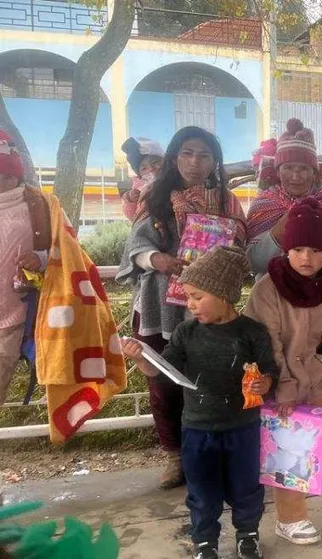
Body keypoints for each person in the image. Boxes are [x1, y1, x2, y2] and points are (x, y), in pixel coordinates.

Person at [121, 247, 277, 559]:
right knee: (203, 493)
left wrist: (265, 383)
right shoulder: (186, 333)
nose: (189, 305)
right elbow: (164, 373)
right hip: (197, 430)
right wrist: (141, 359)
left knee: (247, 487)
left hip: (244, 428)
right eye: (188, 297)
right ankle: (204, 544)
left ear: (224, 295)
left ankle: (247, 535)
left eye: (197, 297)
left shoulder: (252, 332)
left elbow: (269, 371)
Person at [116, 126, 248, 490]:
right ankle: (175, 456)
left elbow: (242, 244)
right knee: (163, 383)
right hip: (160, 306)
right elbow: (135, 248)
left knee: (213, 379)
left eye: (204, 155)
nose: (195, 162)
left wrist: (226, 253)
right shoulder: (155, 197)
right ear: (174, 157)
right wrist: (158, 259)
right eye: (187, 153)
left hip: (208, 308)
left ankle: (209, 453)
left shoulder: (227, 203)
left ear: (215, 161)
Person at [243, 198, 322, 546]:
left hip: (313, 375)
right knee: (288, 450)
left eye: (315, 250)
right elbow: (267, 344)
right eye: (298, 249)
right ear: (287, 249)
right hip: (275, 379)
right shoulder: (267, 288)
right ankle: (290, 519)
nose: (306, 258)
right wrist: (282, 387)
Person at [247, 119, 322, 303]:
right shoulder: (264, 204)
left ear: (314, 173)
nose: (295, 176)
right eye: (288, 168)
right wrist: (278, 232)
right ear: (277, 171)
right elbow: (254, 263)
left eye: (304, 169)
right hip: (273, 302)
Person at [0, 130, 50, 404]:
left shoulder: (37, 203)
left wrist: (40, 258)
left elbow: (65, 250)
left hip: (13, 316)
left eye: (7, 175)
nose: (1, 181)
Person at [120, 137, 165, 221]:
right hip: (146, 226)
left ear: (166, 161)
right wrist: (131, 200)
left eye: (155, 162)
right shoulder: (139, 188)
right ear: (139, 175)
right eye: (144, 168)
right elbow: (132, 216)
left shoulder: (175, 179)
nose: (151, 169)